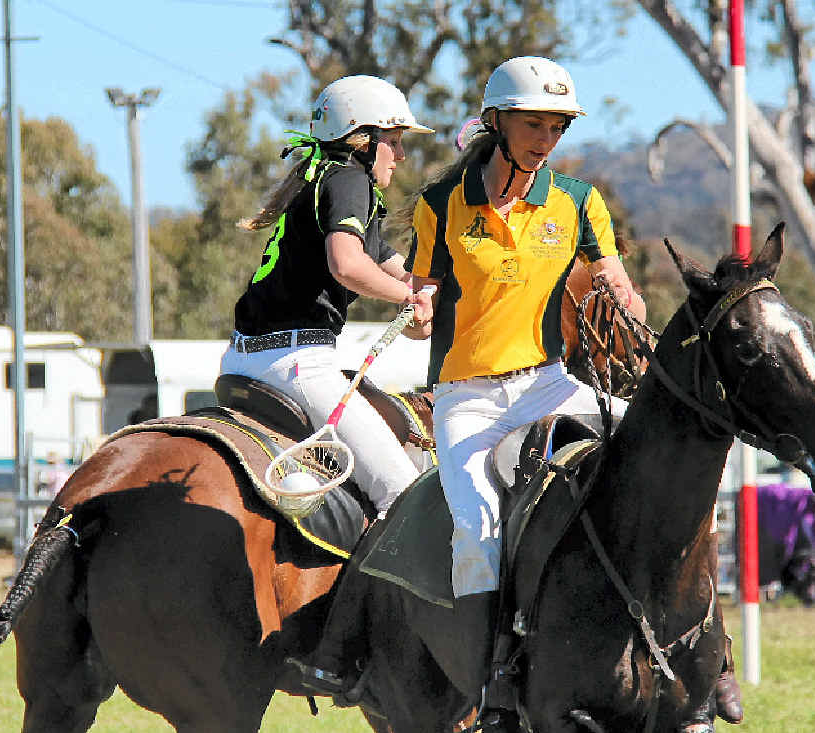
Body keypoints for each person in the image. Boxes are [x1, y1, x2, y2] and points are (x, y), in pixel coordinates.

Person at [295, 57, 648, 722]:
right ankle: (493, 685)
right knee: (477, 530)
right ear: (496, 123)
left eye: (556, 125)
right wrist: (416, 308)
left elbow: (612, 276)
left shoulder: (577, 200)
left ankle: (699, 654)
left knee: (654, 445)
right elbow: (422, 287)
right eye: (532, 123)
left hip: (548, 386)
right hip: (466, 399)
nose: (546, 136)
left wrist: (627, 308)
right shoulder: (440, 204)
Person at [219, 75, 434, 520]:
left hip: (243, 359)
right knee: (405, 496)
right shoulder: (350, 180)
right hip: (296, 363)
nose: (401, 155)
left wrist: (426, 295)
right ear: (362, 140)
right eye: (393, 141)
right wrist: (408, 301)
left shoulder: (324, 180)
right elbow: (348, 265)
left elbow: (392, 267)